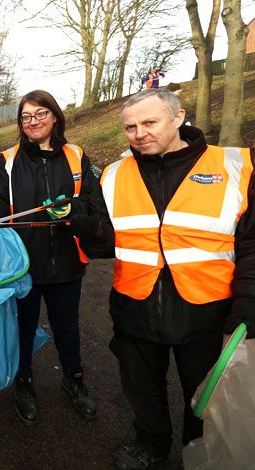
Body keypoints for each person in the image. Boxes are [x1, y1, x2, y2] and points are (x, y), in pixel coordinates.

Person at [88, 87, 255, 469]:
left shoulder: (236, 167)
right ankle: (151, 443)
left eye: (149, 122)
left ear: (179, 117)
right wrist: (92, 230)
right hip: (135, 305)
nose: (139, 133)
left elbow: (251, 247)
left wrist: (247, 307)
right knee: (141, 386)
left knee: (207, 394)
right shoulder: (113, 175)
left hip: (208, 311)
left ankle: (200, 450)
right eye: (130, 127)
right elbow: (108, 241)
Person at [0, 90, 104, 425]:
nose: (33, 122)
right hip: (21, 267)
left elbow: (94, 206)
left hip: (67, 264)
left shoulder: (77, 155)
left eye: (40, 114)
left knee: (67, 328)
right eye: (26, 117)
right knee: (21, 329)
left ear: (55, 116)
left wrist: (73, 209)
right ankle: (24, 383)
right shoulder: (7, 159)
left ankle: (73, 380)